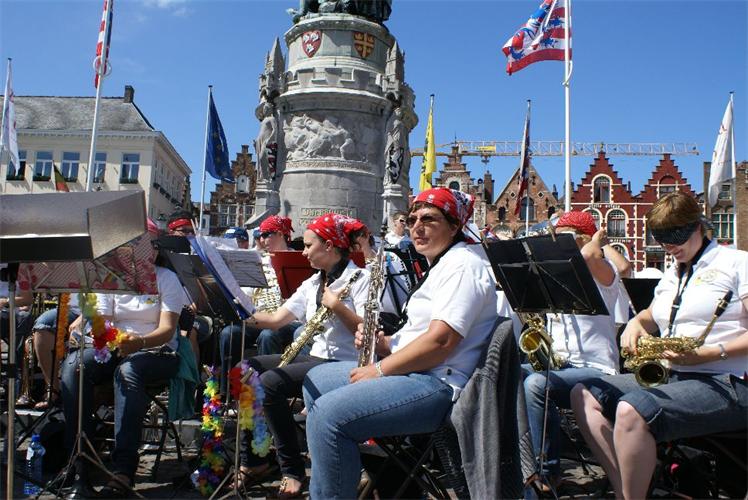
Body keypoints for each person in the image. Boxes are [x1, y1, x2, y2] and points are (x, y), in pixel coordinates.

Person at [302, 188, 498, 499]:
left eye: (429, 219)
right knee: (316, 379)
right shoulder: (442, 264)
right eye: (412, 219)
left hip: (439, 384)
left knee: (328, 416)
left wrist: (380, 369)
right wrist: (383, 342)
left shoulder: (462, 265)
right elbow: (420, 334)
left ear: (454, 226)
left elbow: (441, 341)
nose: (417, 227)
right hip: (418, 371)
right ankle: (374, 474)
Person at [571, 192, 748, 500]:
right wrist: (635, 325)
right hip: (676, 375)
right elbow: (650, 316)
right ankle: (627, 489)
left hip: (728, 381)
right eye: (663, 240)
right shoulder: (673, 272)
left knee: (632, 410)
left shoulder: (737, 263)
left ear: (698, 226)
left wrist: (709, 353)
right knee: (584, 393)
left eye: (676, 237)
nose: (670, 247)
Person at [232, 213, 370, 498]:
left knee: (270, 383)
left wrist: (338, 306)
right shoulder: (312, 283)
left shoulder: (361, 278)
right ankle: (254, 460)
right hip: (316, 358)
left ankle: (292, 471)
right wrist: (239, 309)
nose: (303, 252)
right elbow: (276, 320)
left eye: (308, 246)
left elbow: (369, 334)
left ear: (329, 246)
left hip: (345, 363)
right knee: (245, 370)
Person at [59, 219, 190, 495]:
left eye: (146, 245)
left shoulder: (166, 279)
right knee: (73, 366)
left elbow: (167, 330)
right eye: (132, 245)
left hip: (156, 351)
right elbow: (103, 321)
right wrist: (92, 332)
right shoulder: (112, 277)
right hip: (116, 347)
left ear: (155, 250)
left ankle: (123, 469)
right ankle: (78, 458)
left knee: (128, 371)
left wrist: (139, 342)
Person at [521, 210, 621, 493]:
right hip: (561, 367)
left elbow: (588, 256)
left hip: (597, 369)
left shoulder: (604, 273)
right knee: (509, 374)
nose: (555, 245)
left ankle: (546, 473)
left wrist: (597, 239)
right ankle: (524, 464)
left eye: (563, 239)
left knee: (536, 384)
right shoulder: (556, 277)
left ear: (584, 239)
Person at [218, 216, 300, 393]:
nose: (262, 240)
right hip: (260, 317)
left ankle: (265, 391)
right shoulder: (257, 261)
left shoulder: (297, 261)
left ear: (280, 234)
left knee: (268, 335)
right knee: (228, 333)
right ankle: (227, 392)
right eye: (260, 236)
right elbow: (246, 295)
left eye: (266, 234)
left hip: (288, 320)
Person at [345, 219, 413, 332]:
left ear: (366, 235)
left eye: (354, 236)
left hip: (393, 320)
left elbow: (405, 294)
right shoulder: (348, 266)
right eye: (347, 238)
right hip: (364, 324)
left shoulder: (390, 257)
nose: (351, 242)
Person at [30, 295, 81, 409]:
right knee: (44, 323)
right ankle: (53, 389)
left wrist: (84, 316)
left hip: (97, 310)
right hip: (70, 309)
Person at [0, 263, 34, 404]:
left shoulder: (19, 267)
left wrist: (5, 302)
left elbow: (28, 299)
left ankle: (13, 388)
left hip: (10, 312)